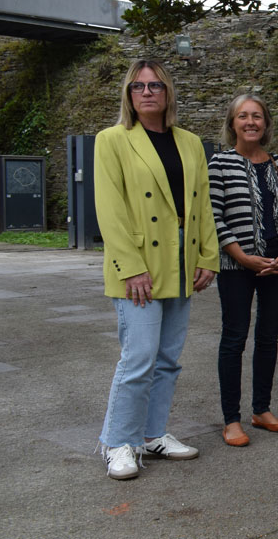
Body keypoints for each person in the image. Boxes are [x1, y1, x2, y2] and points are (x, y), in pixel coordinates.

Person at [94, 59, 219, 479]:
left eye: (155, 85)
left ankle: (152, 434)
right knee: (139, 356)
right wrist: (130, 268)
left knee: (167, 357)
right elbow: (109, 211)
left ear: (168, 93)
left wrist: (207, 257)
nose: (147, 93)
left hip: (182, 259)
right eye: (138, 86)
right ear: (129, 95)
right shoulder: (111, 140)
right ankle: (117, 442)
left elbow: (202, 206)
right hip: (138, 261)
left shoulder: (190, 142)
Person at [208, 94, 278, 446]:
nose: (251, 122)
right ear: (232, 123)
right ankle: (231, 419)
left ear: (266, 123)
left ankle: (261, 409)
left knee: (268, 337)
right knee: (234, 339)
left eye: (257, 116)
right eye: (243, 116)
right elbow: (214, 218)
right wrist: (243, 257)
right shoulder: (219, 163)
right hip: (236, 266)